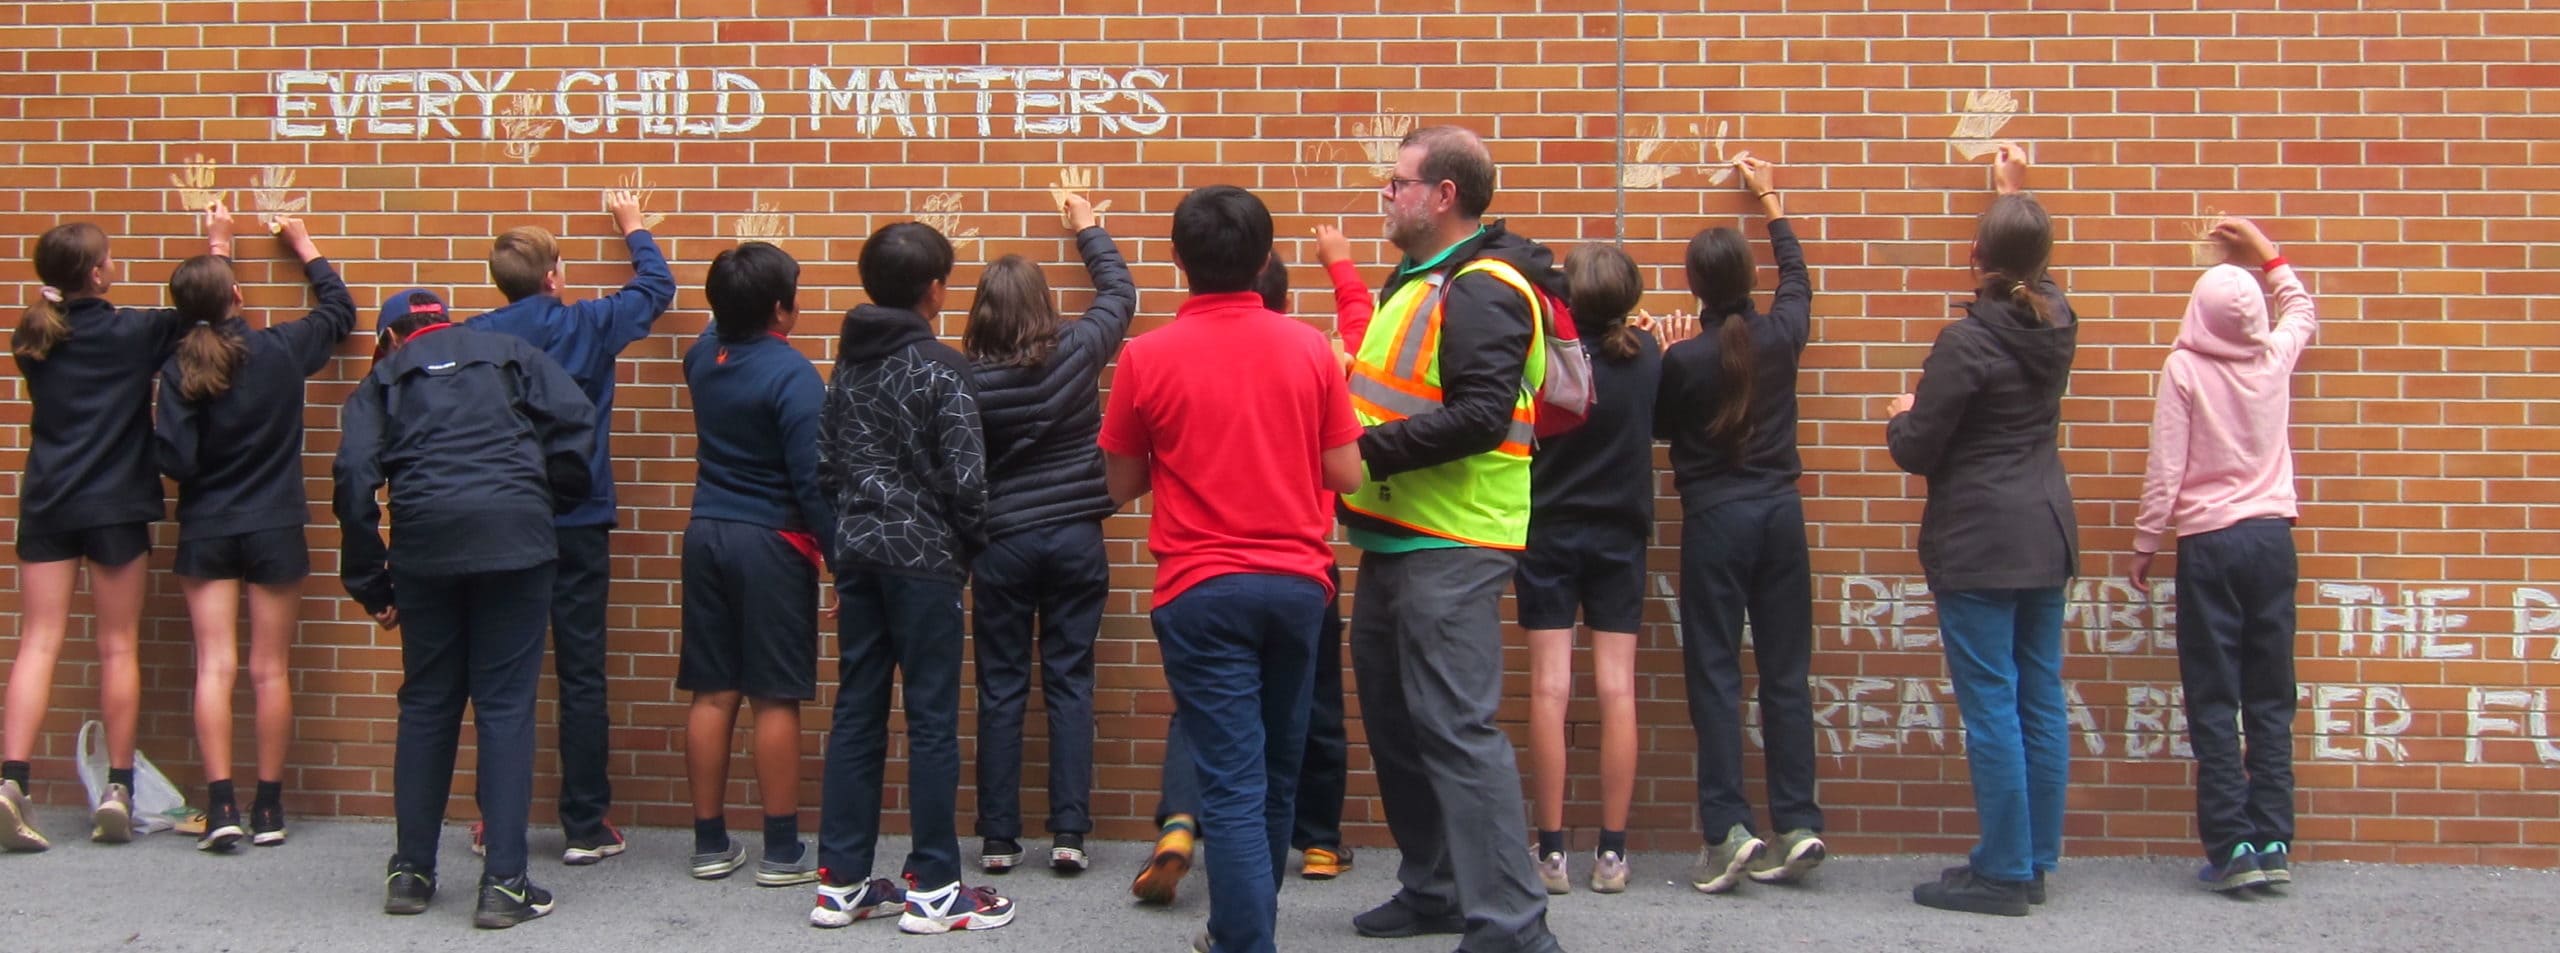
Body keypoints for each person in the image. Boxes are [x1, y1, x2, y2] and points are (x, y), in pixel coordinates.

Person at [1099, 184, 1365, 953]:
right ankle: (1241, 926)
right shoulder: (1312, 348)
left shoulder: (1146, 357)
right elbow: (1346, 474)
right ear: (1264, 257)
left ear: (1178, 260)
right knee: (1277, 772)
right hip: (1297, 587)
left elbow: (1119, 484)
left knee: (1232, 781)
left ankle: (1245, 939)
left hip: (1202, 588)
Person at [1340, 125, 1567, 953]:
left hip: (1456, 538)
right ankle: (1434, 886)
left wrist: (1356, 451)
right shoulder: (1422, 278)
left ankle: (1511, 924)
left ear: (1443, 196)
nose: (1386, 196)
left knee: (1459, 729)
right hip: (1398, 533)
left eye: (1397, 183)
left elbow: (1478, 415)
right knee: (1399, 723)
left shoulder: (1483, 286)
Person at [336, 289, 597, 929]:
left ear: (392, 336)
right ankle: (505, 885)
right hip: (516, 540)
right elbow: (577, 423)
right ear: (442, 322)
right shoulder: (510, 354)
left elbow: (352, 479)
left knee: (427, 702)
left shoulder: (383, 380)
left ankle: (411, 872)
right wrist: (547, 500)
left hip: (426, 547)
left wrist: (372, 583)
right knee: (505, 705)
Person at [1884, 144, 2076, 918]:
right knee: (2040, 696)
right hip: (2045, 532)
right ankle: (2031, 859)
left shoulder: (1965, 343)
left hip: (1980, 543)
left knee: (1992, 702)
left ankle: (2001, 869)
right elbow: (2035, 272)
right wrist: (2012, 194)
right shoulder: (2058, 320)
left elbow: (1920, 446)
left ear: (1974, 259)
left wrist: (1901, 414)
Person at [1, 205, 229, 853]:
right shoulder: (135, 332)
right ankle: (118, 787)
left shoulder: (32, 335)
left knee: (37, 641)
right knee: (117, 644)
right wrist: (217, 242)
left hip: (48, 500)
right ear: (100, 273)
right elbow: (202, 307)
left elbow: (53, 320)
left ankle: (12, 781)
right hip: (118, 502)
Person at [808, 222, 1012, 934]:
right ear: (933, 290)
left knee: (857, 713)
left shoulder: (848, 366)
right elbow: (967, 478)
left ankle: (840, 882)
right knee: (931, 720)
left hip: (859, 552)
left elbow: (827, 467)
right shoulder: (940, 367)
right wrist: (971, 542)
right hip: (924, 560)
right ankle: (934, 888)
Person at [462, 189, 676, 865]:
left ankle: (496, 820)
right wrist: (633, 226)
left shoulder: (476, 338)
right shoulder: (590, 323)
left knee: (502, 673)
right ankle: (585, 823)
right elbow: (657, 287)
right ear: (553, 275)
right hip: (578, 517)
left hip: (501, 519)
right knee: (582, 671)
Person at [1651, 156, 1827, 893]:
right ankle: (1797, 822)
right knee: (1786, 674)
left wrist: (1662, 357)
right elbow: (1799, 283)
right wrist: (1773, 204)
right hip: (1781, 515)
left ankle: (1727, 829)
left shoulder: (1686, 360)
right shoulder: (1782, 336)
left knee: (1717, 676)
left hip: (1717, 520)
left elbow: (1658, 430)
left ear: (1694, 286)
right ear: (1747, 279)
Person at [2126, 218, 2316, 893]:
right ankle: (2272, 838)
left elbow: (2165, 467)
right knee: (2270, 695)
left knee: (2214, 695)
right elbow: (2301, 309)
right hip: (2272, 539)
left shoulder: (2184, 367)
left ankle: (2231, 845)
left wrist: (2148, 541)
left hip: (2209, 543)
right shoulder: (2274, 356)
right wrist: (2266, 253)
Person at [156, 214, 357, 851]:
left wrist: (218, 249)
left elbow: (177, 461)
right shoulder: (277, 350)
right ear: (238, 295)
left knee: (215, 666)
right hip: (275, 524)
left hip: (208, 527)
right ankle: (270, 807)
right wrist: (303, 245)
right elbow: (339, 310)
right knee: (270, 670)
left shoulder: (180, 368)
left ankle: (220, 806)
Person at [963, 187, 1135, 876]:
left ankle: (1000, 838)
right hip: (1073, 537)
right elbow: (1119, 296)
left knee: (1001, 686)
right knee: (1070, 678)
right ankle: (1069, 832)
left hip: (1002, 544)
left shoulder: (966, 381)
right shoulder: (1077, 351)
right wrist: (1088, 228)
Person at [676, 242, 830, 887]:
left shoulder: (700, 361)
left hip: (706, 531)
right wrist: (841, 559)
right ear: (780, 309)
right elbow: (812, 480)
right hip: (770, 542)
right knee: (774, 694)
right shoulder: (793, 375)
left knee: (714, 690)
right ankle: (781, 850)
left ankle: (711, 843)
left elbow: (720, 324)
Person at [1515, 238, 1657, 896]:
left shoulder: (1548, 360)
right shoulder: (1648, 357)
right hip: (1620, 536)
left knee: (1550, 689)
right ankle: (1612, 853)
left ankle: (1551, 853)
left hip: (1547, 530)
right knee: (1617, 689)